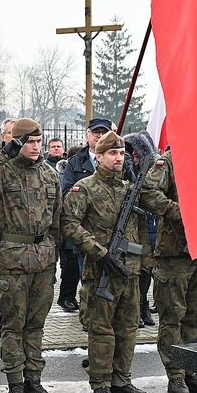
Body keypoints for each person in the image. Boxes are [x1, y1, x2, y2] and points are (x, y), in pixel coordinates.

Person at [0, 118, 62, 393]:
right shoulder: (1, 169)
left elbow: (57, 218)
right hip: (11, 259)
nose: (36, 147)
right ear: (18, 143)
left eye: (38, 141)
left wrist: (53, 251)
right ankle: (16, 385)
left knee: (36, 326)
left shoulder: (49, 174)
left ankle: (34, 382)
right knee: (12, 326)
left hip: (43, 260)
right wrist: (4, 153)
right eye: (29, 142)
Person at [61, 131, 149, 393]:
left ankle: (121, 379)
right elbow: (70, 225)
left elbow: (142, 227)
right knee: (101, 329)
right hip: (101, 271)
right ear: (98, 157)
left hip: (129, 270)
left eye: (122, 154)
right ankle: (100, 382)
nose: (119, 158)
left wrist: (145, 262)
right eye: (113, 153)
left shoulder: (128, 188)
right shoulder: (84, 187)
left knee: (127, 327)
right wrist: (99, 253)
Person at [140, 148, 197, 393]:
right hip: (175, 254)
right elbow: (148, 191)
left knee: (193, 319)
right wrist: (180, 211)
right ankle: (175, 373)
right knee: (172, 318)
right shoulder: (171, 160)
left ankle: (191, 371)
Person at [58, 118, 111, 312]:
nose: (98, 136)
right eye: (95, 132)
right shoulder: (75, 163)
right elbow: (66, 193)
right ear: (87, 135)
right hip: (85, 233)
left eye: (103, 132)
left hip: (111, 232)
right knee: (87, 278)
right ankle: (89, 315)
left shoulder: (120, 160)